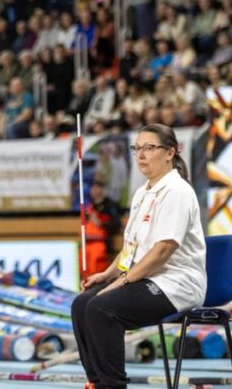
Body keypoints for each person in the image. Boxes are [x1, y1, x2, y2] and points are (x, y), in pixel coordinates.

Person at [71, 124, 206, 389]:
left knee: (101, 308)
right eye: (137, 148)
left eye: (149, 148)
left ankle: (113, 386)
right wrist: (108, 275)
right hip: (145, 279)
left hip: (176, 283)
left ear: (170, 153)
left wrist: (121, 282)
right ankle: (96, 382)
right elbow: (129, 248)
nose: (141, 154)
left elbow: (163, 251)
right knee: (81, 305)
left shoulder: (177, 191)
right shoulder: (141, 193)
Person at [82, 181, 120, 277]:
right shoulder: (89, 206)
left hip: (103, 244)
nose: (94, 190)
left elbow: (116, 224)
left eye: (97, 187)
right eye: (92, 188)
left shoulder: (109, 206)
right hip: (88, 243)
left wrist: (100, 223)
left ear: (102, 190)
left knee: (97, 258)